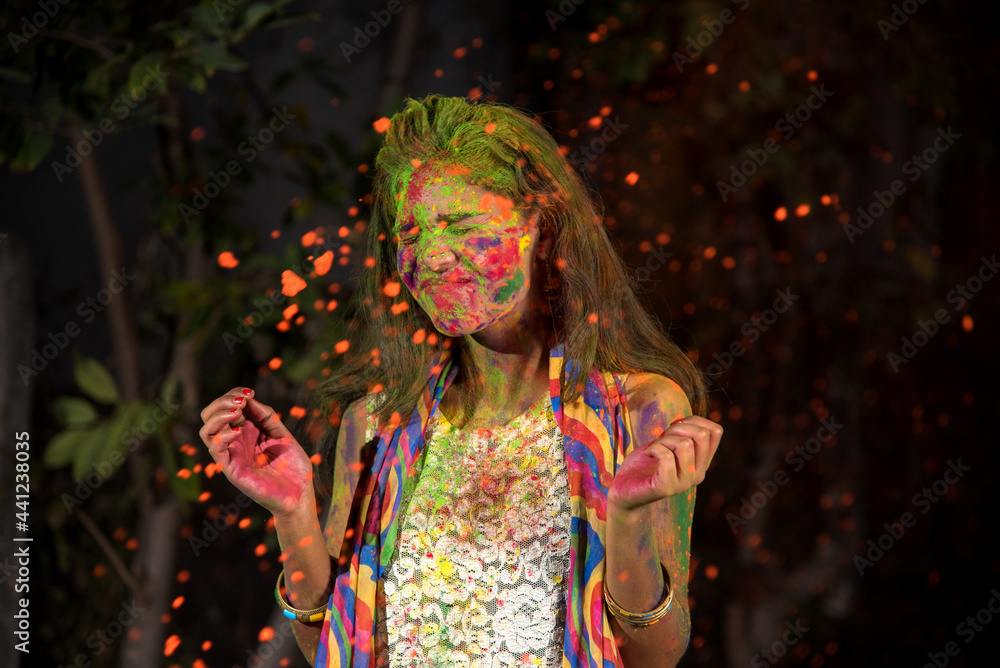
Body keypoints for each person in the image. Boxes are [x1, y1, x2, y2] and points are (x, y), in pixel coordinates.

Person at [199, 94, 723, 668]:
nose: (433, 256)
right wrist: (293, 512)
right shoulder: (375, 426)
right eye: (410, 235)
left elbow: (657, 656)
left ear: (542, 231)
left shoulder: (640, 408)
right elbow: (330, 648)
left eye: (460, 224)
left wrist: (626, 518)